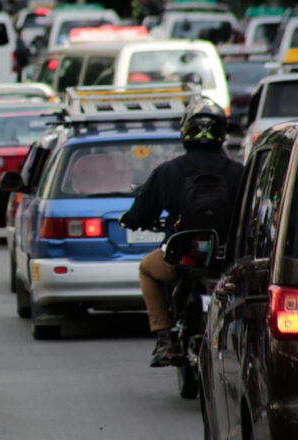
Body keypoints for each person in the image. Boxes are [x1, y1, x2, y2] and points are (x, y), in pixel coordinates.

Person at [120, 98, 243, 367]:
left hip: (183, 259)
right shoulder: (239, 173)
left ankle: (164, 337)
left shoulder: (169, 171)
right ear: (222, 133)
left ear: (186, 130)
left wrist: (132, 220)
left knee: (146, 269)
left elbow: (141, 213)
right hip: (229, 261)